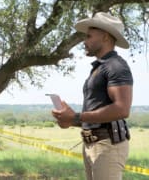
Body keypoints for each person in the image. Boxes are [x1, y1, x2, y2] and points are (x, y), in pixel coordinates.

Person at [52, 12, 133, 180]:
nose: (84, 41)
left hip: (107, 146)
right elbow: (98, 113)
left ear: (105, 37)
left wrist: (76, 116)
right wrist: (71, 120)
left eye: (89, 36)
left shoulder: (116, 66)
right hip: (92, 144)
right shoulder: (100, 67)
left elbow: (122, 109)